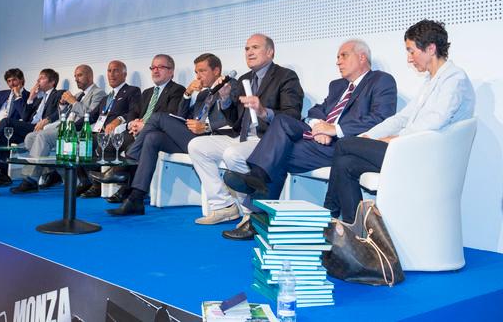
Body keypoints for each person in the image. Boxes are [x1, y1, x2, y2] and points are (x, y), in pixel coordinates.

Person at [221, 40, 398, 239]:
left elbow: (380, 118)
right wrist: (318, 128)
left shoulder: (380, 80)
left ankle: (256, 213)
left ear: (362, 57)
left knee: (278, 156)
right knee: (282, 121)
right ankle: (258, 177)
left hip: (344, 146)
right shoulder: (338, 86)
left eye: (343, 55)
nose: (338, 61)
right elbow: (316, 111)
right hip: (318, 138)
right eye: (337, 57)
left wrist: (334, 130)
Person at [325, 20, 475, 223]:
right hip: (411, 149)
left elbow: (434, 121)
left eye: (412, 51)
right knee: (345, 163)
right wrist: (368, 137)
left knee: (343, 144)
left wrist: (394, 139)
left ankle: (328, 214)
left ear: (431, 49)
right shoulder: (431, 81)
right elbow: (402, 118)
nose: (409, 59)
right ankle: (357, 229)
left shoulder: (454, 78)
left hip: (425, 156)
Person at [188, 33, 304, 225]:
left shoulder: (286, 77)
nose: (249, 52)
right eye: (247, 48)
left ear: (270, 52)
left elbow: (292, 116)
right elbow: (234, 120)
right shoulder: (244, 79)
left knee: (233, 154)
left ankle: (252, 212)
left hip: (266, 139)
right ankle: (224, 206)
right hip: (240, 136)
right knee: (197, 146)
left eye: (255, 47)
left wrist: (263, 112)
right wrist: (225, 99)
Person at [106, 53, 238, 216]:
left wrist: (206, 127)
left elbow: (235, 117)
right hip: (192, 138)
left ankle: (125, 165)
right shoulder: (203, 94)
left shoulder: (231, 85)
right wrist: (187, 93)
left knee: (157, 117)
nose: (198, 76)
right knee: (152, 137)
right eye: (196, 72)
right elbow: (181, 116)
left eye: (202, 71)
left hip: (211, 140)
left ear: (216, 71)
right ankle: (136, 198)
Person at [87, 55, 185, 196]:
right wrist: (132, 123)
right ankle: (109, 182)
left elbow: (169, 115)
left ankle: (124, 187)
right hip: (135, 132)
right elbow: (134, 112)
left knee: (132, 147)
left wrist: (145, 125)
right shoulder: (147, 92)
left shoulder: (177, 90)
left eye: (160, 67)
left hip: (156, 133)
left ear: (171, 71)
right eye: (153, 67)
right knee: (107, 144)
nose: (155, 70)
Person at [10, 64, 106, 194]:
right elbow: (63, 116)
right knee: (30, 138)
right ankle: (53, 171)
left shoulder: (98, 93)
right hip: (64, 128)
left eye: (79, 75)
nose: (76, 79)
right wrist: (62, 105)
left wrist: (73, 102)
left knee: (43, 137)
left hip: (78, 132)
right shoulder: (78, 94)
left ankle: (30, 180)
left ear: (89, 76)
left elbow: (91, 115)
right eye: (75, 76)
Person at [75, 60, 141, 198]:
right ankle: (86, 181)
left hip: (118, 132)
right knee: (79, 142)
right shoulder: (106, 98)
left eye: (116, 70)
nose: (111, 74)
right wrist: (71, 126)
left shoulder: (132, 91)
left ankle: (97, 186)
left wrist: (119, 119)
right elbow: (91, 116)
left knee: (99, 143)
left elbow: (134, 112)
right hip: (100, 131)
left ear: (124, 74)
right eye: (109, 71)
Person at [0, 68, 63, 187]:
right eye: (38, 78)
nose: (38, 81)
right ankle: (3, 174)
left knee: (6, 122)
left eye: (42, 78)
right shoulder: (38, 98)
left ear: (52, 82)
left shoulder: (59, 94)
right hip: (29, 128)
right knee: (6, 133)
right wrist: (31, 98)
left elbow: (62, 111)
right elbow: (24, 116)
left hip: (40, 128)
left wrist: (48, 119)